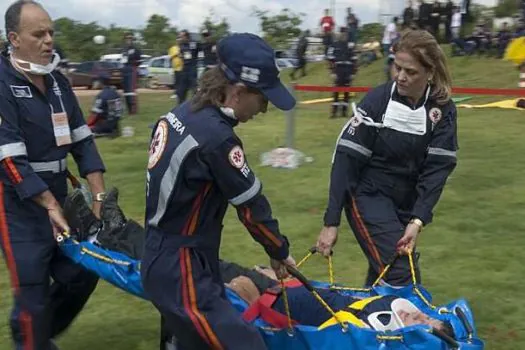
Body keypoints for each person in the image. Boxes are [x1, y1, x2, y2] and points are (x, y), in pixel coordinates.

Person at [141, 33, 297, 350]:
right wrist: (279, 251)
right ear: (238, 92)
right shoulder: (218, 138)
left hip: (164, 254)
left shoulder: (183, 113)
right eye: (263, 98)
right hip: (181, 267)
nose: (265, 109)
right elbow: (251, 207)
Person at [0, 1, 107, 349]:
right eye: (38, 34)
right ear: (14, 38)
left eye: (51, 32)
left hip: (60, 195)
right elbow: (10, 160)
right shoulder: (2, 83)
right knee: (31, 288)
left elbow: (84, 143)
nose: (49, 41)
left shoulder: (58, 83)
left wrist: (99, 198)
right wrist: (47, 205)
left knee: (84, 271)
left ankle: (36, 334)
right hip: (18, 206)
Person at [316, 29, 457, 287]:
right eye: (397, 67)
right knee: (401, 271)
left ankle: (376, 324)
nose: (401, 77)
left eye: (411, 71)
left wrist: (417, 220)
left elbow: (437, 171)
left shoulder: (442, 110)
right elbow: (345, 161)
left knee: (382, 276)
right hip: (368, 195)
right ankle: (408, 325)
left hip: (406, 203)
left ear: (430, 73)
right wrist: (331, 222)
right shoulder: (377, 101)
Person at [328, 28, 358, 118]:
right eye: (342, 34)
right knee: (336, 91)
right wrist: (332, 72)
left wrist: (353, 73)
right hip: (338, 70)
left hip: (348, 70)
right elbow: (330, 60)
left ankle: (344, 112)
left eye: (345, 34)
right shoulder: (334, 45)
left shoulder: (350, 46)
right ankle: (334, 112)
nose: (343, 35)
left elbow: (354, 61)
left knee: (346, 92)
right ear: (339, 34)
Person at [87, 72, 123, 137]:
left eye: (95, 80)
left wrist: (86, 126)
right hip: (115, 124)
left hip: (105, 125)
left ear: (100, 82)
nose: (94, 82)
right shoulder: (116, 93)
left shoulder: (102, 95)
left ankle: (101, 132)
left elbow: (94, 115)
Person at [121, 32, 142, 114]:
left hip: (132, 69)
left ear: (133, 40)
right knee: (126, 90)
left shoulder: (136, 49)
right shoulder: (124, 49)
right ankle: (128, 109)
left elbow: (139, 60)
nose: (129, 40)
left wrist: (135, 66)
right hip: (125, 68)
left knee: (131, 90)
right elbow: (123, 59)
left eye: (130, 38)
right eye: (127, 38)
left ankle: (133, 110)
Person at [177, 30, 199, 104]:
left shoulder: (194, 43)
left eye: (181, 36)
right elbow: (181, 54)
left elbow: (200, 51)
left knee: (194, 88)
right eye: (180, 36)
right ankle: (180, 105)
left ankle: (195, 104)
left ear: (186, 36)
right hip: (185, 68)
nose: (180, 38)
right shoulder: (181, 45)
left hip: (192, 68)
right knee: (181, 89)